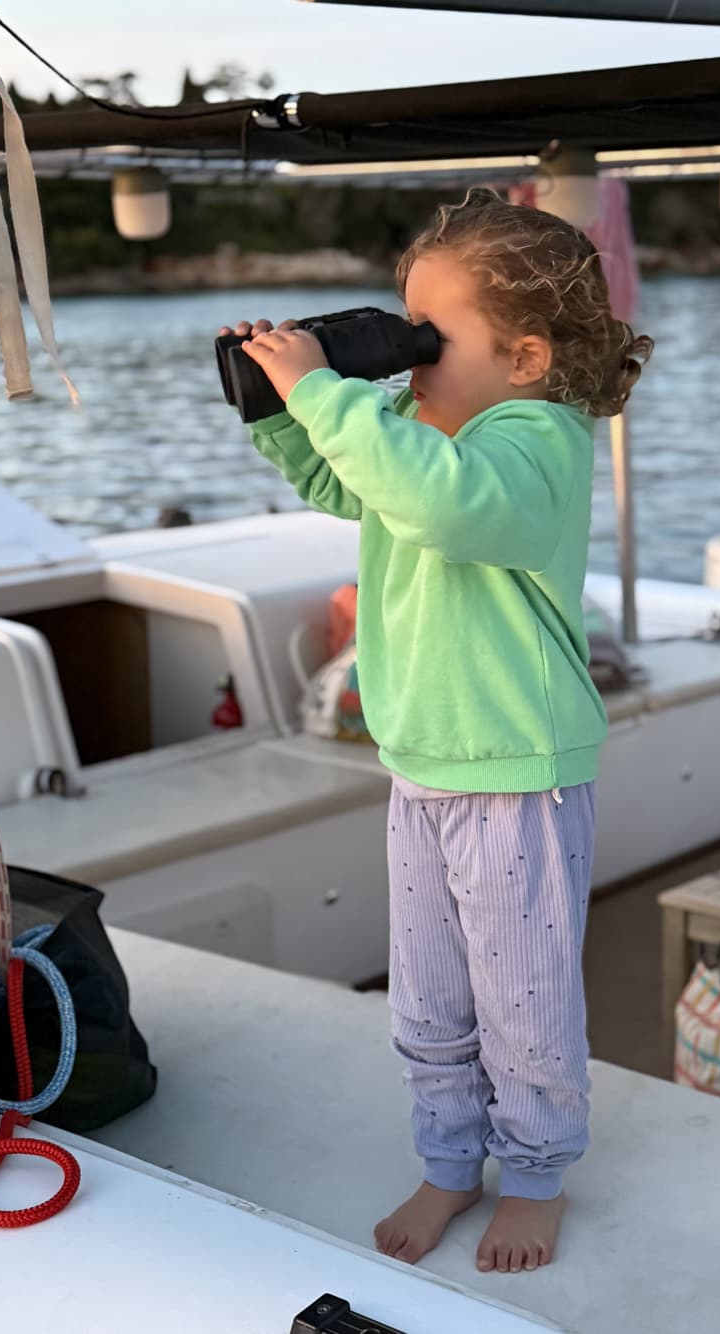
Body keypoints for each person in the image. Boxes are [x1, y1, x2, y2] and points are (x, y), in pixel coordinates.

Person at [223, 188, 652, 1275]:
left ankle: (538, 1171)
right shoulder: (420, 433)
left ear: (522, 356)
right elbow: (350, 479)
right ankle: (450, 1153)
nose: (409, 362)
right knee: (428, 991)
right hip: (424, 765)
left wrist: (324, 381)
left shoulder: (535, 439)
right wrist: (280, 407)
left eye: (429, 338)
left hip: (515, 772)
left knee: (521, 999)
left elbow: (442, 501)